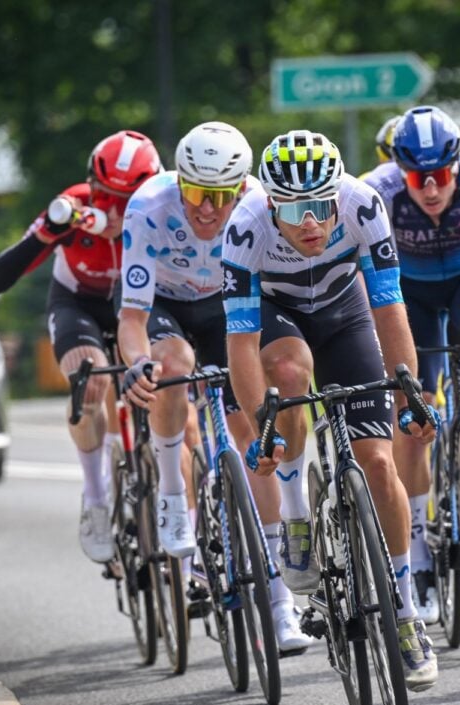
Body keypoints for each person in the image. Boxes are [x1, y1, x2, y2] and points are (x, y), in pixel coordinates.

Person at [222, 129, 440, 691]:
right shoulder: (245, 227)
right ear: (271, 203)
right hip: (279, 314)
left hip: (347, 313)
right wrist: (262, 428)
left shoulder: (364, 205)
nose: (311, 223)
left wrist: (409, 394)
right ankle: (295, 512)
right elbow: (241, 344)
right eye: (295, 210)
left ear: (337, 197)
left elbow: (390, 309)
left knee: (379, 462)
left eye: (321, 207)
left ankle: (405, 613)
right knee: (289, 369)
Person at [116, 121, 310, 654]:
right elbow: (131, 319)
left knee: (253, 435)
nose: (208, 208)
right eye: (197, 192)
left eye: (222, 195)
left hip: (227, 306)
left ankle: (280, 604)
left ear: (242, 188)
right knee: (171, 364)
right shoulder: (148, 205)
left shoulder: (259, 205)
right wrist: (137, 364)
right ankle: (172, 496)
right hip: (165, 307)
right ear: (179, 181)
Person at [363, 105, 460, 626]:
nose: (430, 189)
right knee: (412, 416)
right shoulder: (377, 191)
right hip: (408, 291)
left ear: (457, 165)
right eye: (417, 178)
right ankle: (418, 556)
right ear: (399, 171)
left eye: (439, 176)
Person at [0, 130, 163, 564]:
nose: (112, 211)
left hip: (142, 305)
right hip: (80, 302)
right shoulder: (73, 207)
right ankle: (96, 498)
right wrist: (48, 233)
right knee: (90, 378)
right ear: (91, 187)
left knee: (173, 385)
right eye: (105, 196)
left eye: (126, 201)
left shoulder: (164, 210)